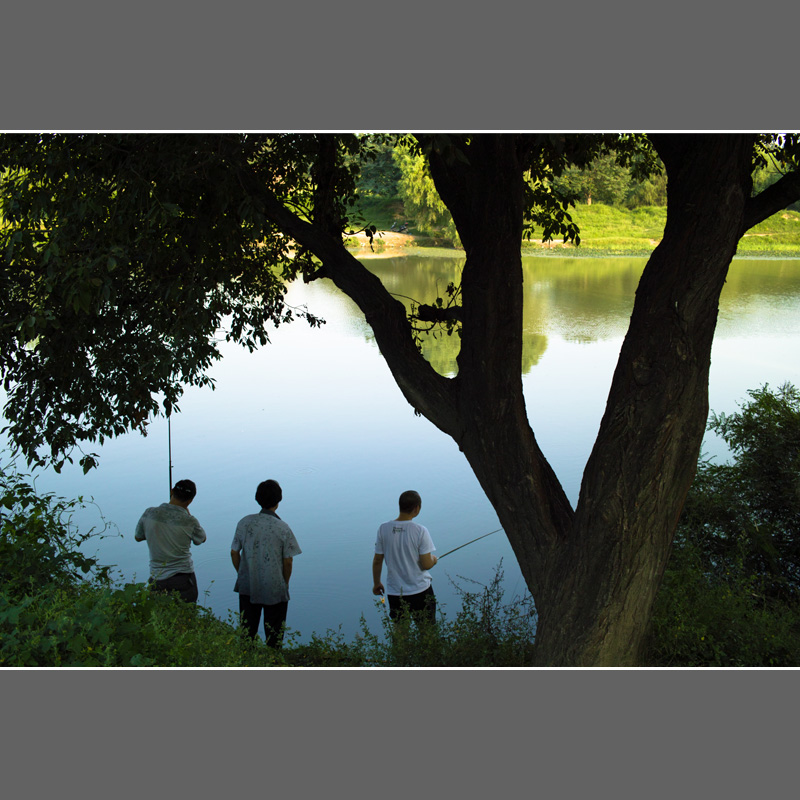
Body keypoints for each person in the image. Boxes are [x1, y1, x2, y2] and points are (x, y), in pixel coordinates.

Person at [231, 479, 302, 648]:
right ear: (278, 501)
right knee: (274, 636)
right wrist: (285, 582)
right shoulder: (282, 528)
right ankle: (273, 663)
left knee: (247, 633)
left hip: (248, 585)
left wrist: (242, 573)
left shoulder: (245, 522)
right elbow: (288, 560)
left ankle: (246, 663)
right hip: (275, 587)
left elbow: (234, 552)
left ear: (257, 498)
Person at [135, 479, 207, 603]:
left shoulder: (149, 513)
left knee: (159, 617)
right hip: (182, 578)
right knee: (186, 617)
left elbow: (138, 537)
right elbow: (201, 539)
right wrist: (187, 513)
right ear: (191, 500)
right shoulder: (190, 521)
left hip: (156, 577)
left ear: (171, 491)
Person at [372, 490, 438, 624]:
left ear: (400, 506)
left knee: (401, 634)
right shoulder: (420, 531)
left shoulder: (383, 529)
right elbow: (426, 564)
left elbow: (378, 560)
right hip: (420, 591)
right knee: (427, 633)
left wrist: (377, 583)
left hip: (396, 593)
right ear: (417, 508)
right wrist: (434, 560)